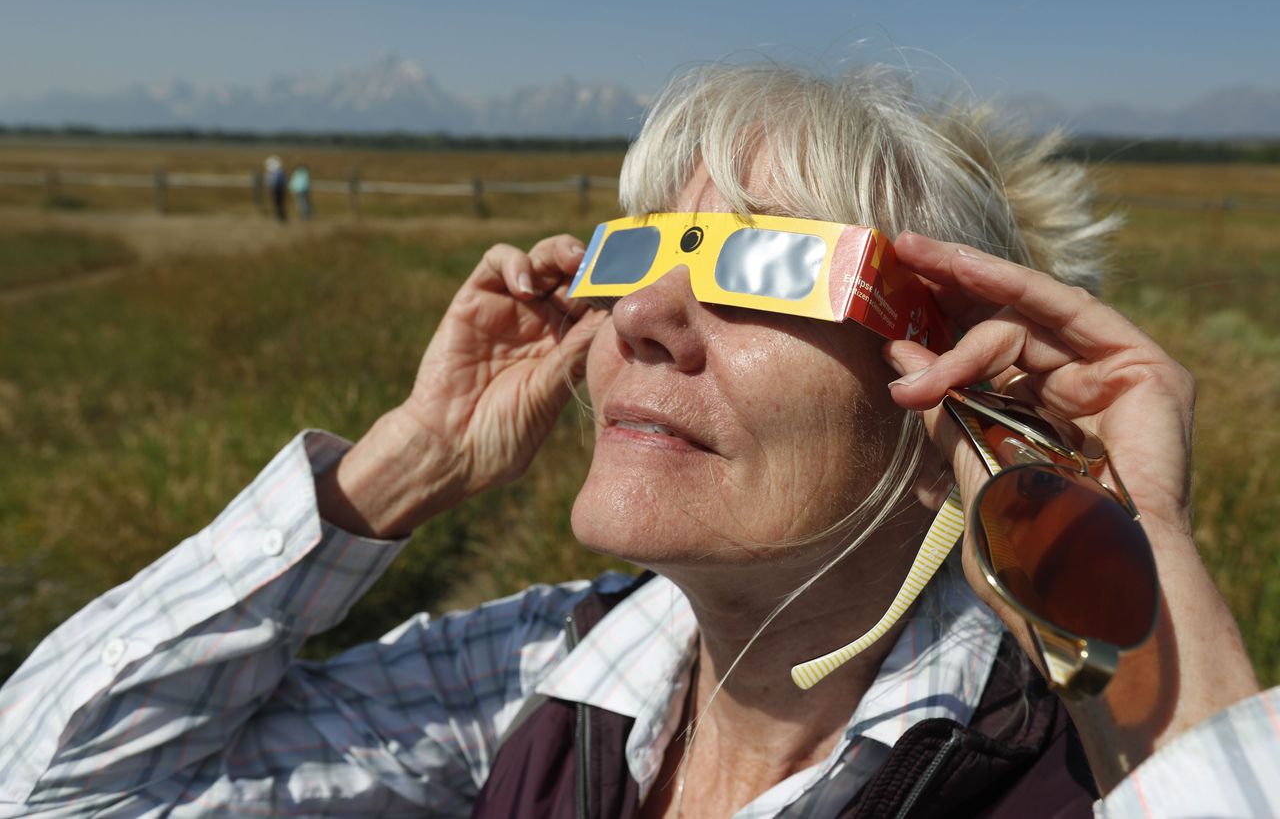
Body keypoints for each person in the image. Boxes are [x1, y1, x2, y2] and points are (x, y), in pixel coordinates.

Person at [0, 63, 1274, 817]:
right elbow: (59, 787)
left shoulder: (1060, 765)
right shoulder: (550, 677)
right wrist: (399, 468)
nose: (650, 317)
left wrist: (1128, 571)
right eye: (642, 251)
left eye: (764, 268)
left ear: (946, 381)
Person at [264, 155, 287, 222]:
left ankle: (280, 217)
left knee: (278, 203)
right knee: (279, 203)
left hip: (276, 189)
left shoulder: (273, 172)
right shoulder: (279, 171)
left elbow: (270, 181)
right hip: (278, 188)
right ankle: (280, 216)